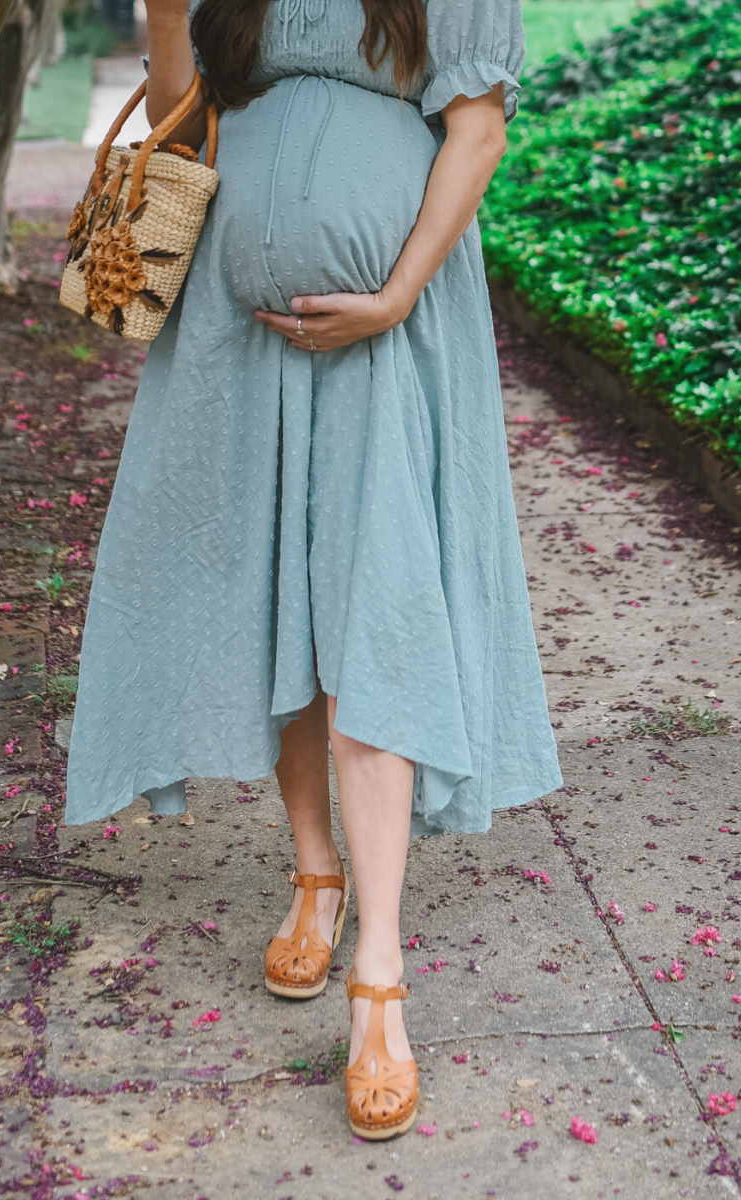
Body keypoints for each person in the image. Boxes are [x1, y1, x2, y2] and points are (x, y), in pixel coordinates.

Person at [63, 0, 562, 1140]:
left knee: (372, 614)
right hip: (231, 338)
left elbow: (475, 132)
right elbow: (195, 117)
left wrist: (391, 292)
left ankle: (377, 975)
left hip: (390, 335)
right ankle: (313, 872)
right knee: (267, 597)